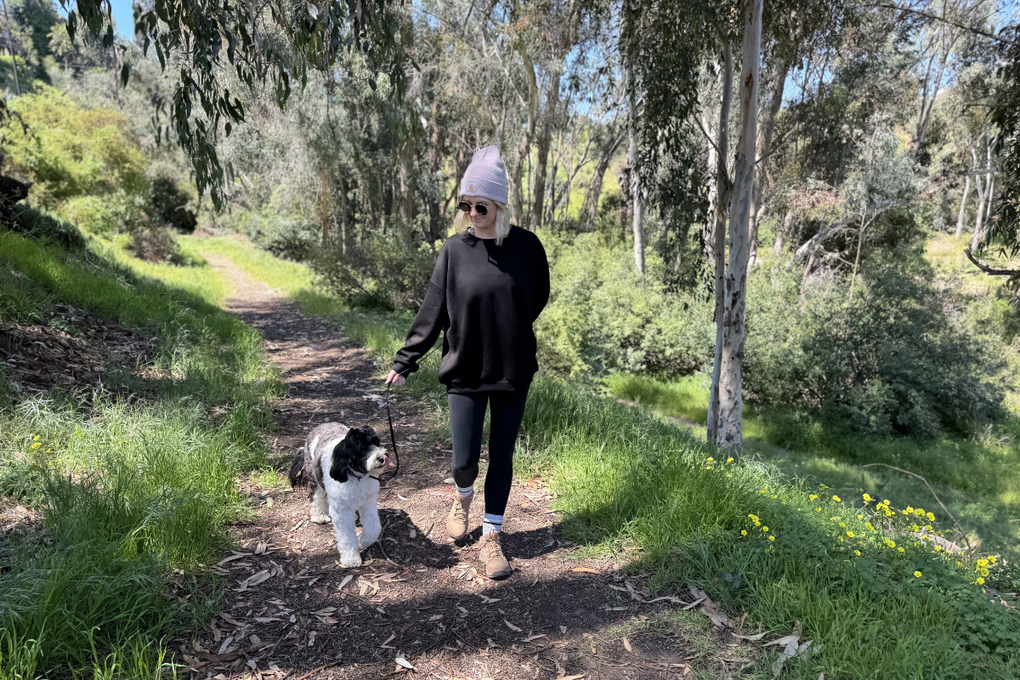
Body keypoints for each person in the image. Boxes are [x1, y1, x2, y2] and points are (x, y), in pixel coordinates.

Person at [384, 145, 550, 579]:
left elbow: (537, 297)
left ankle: (491, 535)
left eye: (482, 206)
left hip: (513, 368)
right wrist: (406, 361)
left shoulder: (528, 247)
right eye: (466, 205)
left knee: (501, 453)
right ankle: (461, 498)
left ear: (500, 205)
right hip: (464, 367)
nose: (473, 213)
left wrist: (507, 326)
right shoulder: (454, 251)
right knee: (463, 459)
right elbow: (433, 309)